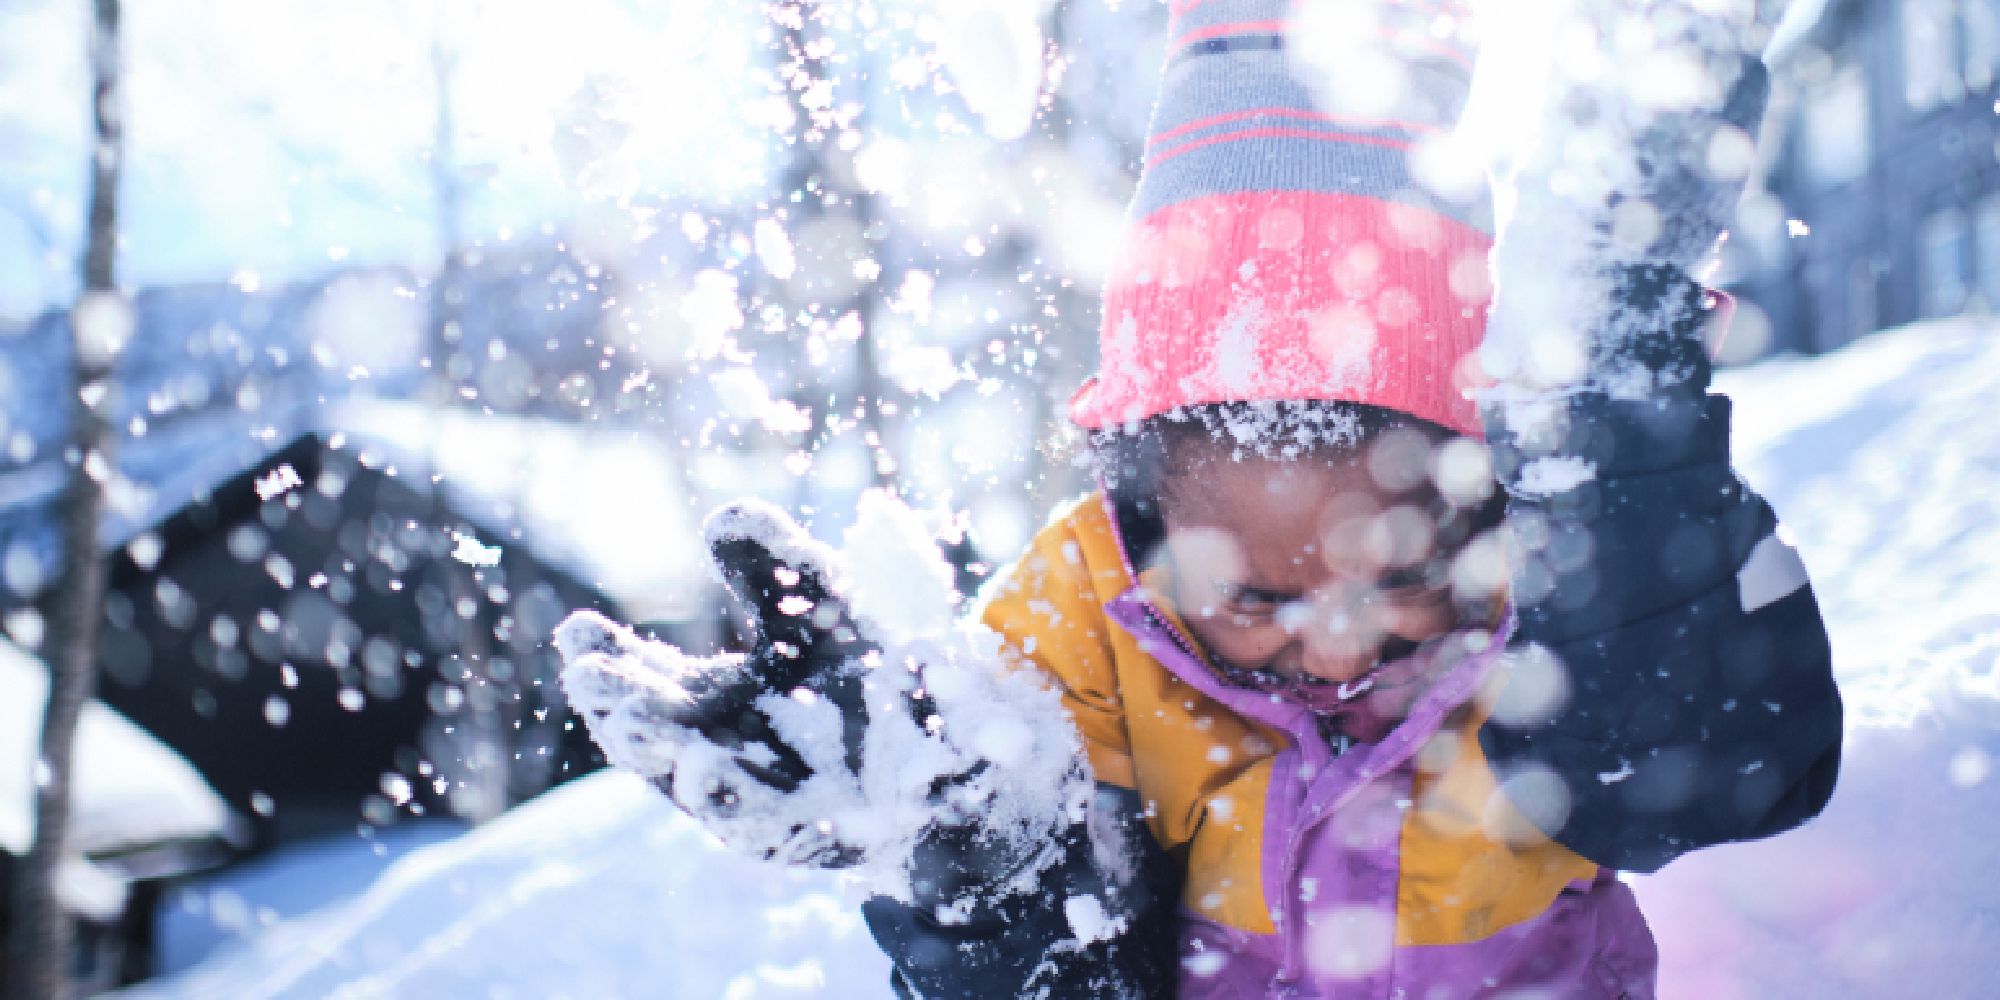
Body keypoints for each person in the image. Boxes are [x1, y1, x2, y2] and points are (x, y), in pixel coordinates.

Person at [557, 1, 1843, 996]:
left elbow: (1719, 773)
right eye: (1253, 594)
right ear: (1141, 517)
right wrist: (965, 842)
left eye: (1394, 566)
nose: (1333, 641)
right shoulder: (1080, 627)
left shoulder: (1559, 562)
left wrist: (1607, 424)